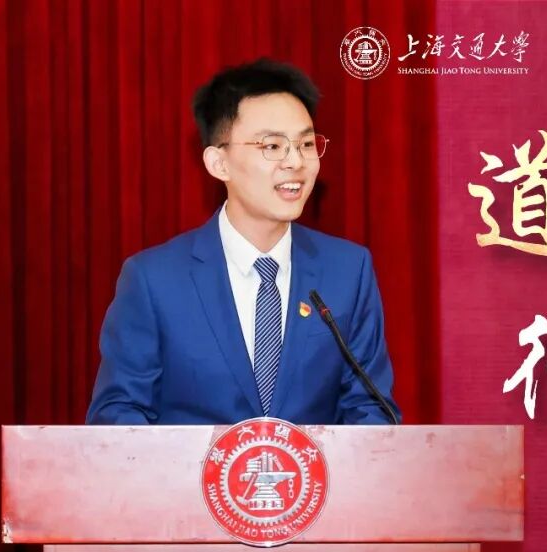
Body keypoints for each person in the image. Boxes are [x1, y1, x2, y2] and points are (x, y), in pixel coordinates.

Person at [86, 58, 400, 425]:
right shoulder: (153, 280)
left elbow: (371, 410)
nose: (296, 162)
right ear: (219, 163)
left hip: (319, 467)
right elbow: (119, 417)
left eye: (306, 144)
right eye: (273, 146)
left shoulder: (348, 270)